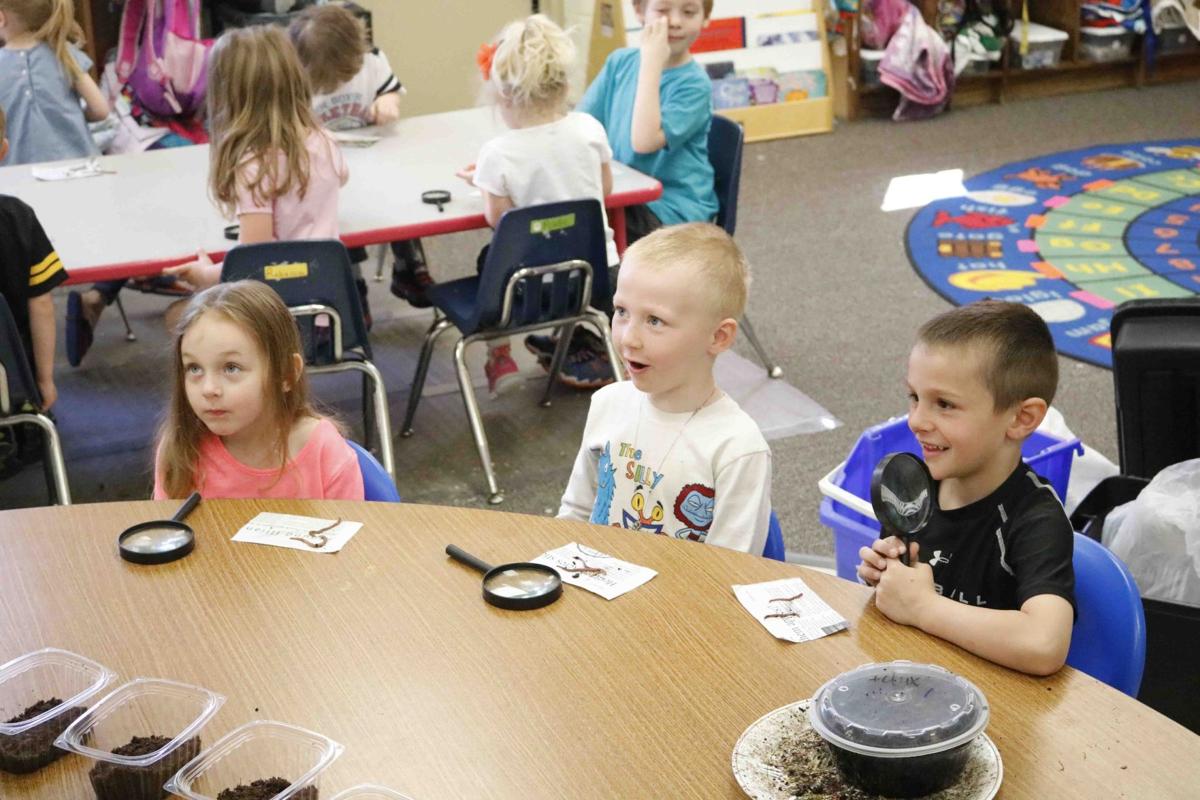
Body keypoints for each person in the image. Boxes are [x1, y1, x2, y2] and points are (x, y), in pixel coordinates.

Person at [67, 25, 349, 357]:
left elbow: (252, 266)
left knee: (180, 321)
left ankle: (249, 403)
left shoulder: (255, 164)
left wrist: (205, 275)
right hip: (330, 316)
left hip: (282, 323)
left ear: (227, 92)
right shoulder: (324, 142)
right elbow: (324, 195)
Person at [856, 300, 1075, 676]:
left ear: (1021, 418)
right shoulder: (912, 490)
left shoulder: (1036, 517)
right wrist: (886, 576)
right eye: (914, 397)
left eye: (944, 404)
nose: (917, 421)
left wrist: (923, 607)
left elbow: (1044, 645)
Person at [525, 0, 719, 385]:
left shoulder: (693, 84)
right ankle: (578, 322)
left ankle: (597, 337)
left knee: (588, 235)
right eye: (663, 10)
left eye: (689, 11)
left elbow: (643, 141)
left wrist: (650, 63)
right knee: (557, 218)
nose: (675, 22)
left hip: (672, 213)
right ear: (639, 11)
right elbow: (577, 123)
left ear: (706, 18)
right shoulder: (619, 64)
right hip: (623, 197)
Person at [558, 223, 770, 554]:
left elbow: (731, 572)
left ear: (718, 337)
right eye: (622, 312)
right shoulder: (607, 404)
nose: (628, 337)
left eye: (655, 321)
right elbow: (574, 515)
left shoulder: (737, 447)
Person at [456, 13, 619, 395]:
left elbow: (500, 220)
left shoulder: (497, 153)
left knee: (489, 258)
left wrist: (484, 183)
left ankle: (500, 356)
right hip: (598, 279)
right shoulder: (589, 130)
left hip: (530, 290)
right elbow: (604, 188)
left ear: (504, 94)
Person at [153, 280, 364, 500]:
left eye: (231, 368)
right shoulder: (180, 450)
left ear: (287, 374)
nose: (209, 389)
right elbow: (169, 530)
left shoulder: (324, 451)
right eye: (194, 368)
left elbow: (352, 532)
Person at [288, 2, 414, 321]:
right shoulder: (296, 77)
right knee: (339, 217)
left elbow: (391, 92)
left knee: (405, 197)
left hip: (373, 158)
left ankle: (409, 266)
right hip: (325, 170)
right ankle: (354, 281)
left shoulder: (371, 61)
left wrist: (387, 103)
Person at [0, 103, 68, 416]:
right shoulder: (18, 218)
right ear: (3, 150)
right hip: (12, 384)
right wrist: (43, 380)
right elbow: (41, 305)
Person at [0, 0, 109, 166]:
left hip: (16, 171)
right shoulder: (63, 52)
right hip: (78, 166)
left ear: (1, 18)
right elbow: (101, 110)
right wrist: (75, 114)